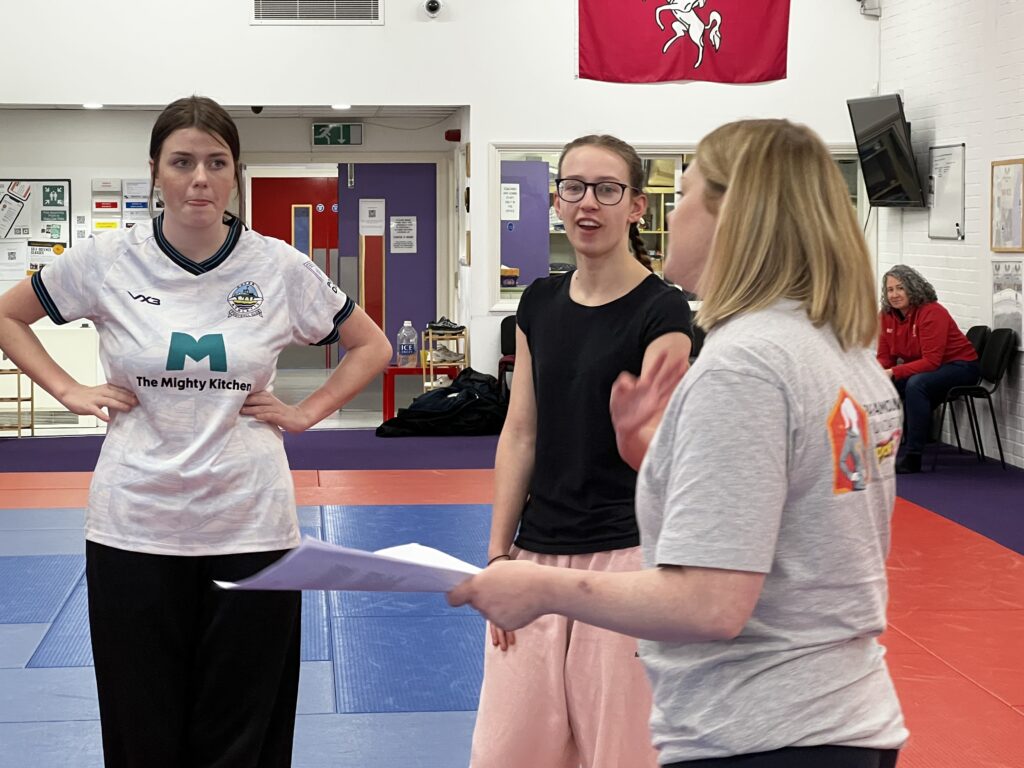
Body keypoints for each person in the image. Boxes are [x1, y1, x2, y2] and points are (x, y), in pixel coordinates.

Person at [450, 119, 908, 767]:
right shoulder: (846, 350)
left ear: (734, 214)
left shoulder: (746, 361)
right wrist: (654, 455)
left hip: (765, 727)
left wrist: (542, 588)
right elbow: (790, 519)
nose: (675, 207)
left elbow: (714, 603)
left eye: (686, 191)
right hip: (842, 713)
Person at [0, 96, 392, 767]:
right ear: (155, 171)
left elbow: (372, 346)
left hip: (253, 526)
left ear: (237, 172)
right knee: (141, 729)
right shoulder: (105, 261)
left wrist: (304, 411)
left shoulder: (279, 267)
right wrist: (67, 389)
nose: (199, 179)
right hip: (134, 523)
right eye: (182, 162)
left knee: (244, 735)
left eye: (216, 162)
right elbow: (9, 316)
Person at [471, 135, 693, 768]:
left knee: (618, 753)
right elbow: (521, 432)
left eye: (607, 189)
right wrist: (496, 555)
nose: (587, 203)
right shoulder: (538, 301)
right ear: (555, 200)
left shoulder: (664, 309)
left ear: (636, 208)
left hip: (625, 557)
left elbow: (664, 447)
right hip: (535, 553)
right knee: (507, 751)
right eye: (573, 187)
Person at [876, 264, 980, 473]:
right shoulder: (886, 316)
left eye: (900, 288)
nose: (895, 294)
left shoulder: (932, 312)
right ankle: (880, 449)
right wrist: (876, 376)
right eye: (890, 290)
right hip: (926, 368)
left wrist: (893, 372)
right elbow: (885, 357)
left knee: (916, 385)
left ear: (913, 288)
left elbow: (931, 361)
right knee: (881, 386)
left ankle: (914, 456)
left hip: (961, 366)